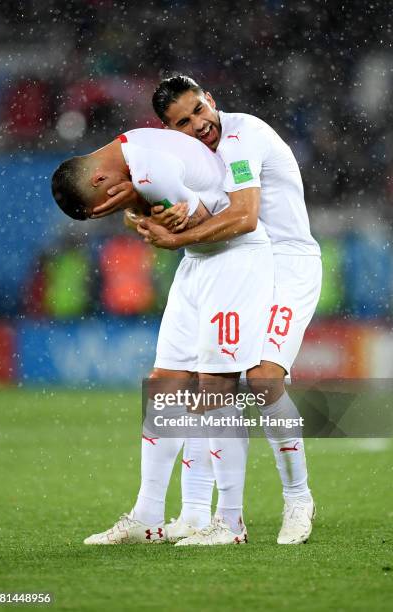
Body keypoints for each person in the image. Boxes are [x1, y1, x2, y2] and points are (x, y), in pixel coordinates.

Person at [95, 75, 322, 545]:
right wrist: (146, 213)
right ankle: (193, 512)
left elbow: (243, 217)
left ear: (211, 99)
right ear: (170, 129)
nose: (199, 124)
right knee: (188, 385)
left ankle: (298, 499)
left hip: (286, 264)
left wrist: (175, 236)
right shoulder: (182, 152)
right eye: (184, 121)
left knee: (262, 381)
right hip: (230, 264)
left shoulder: (242, 136)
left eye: (199, 110)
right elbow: (174, 199)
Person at [51, 126, 275, 545]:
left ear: (100, 180)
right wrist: (145, 212)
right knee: (166, 386)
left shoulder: (150, 171)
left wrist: (157, 220)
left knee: (214, 390)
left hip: (233, 264)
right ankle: (147, 516)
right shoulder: (130, 149)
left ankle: (230, 522)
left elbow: (217, 223)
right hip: (198, 264)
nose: (107, 211)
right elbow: (179, 213)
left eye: (101, 206)